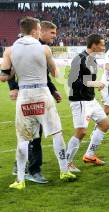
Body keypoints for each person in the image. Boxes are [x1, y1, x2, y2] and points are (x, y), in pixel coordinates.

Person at [0, 17, 76, 190]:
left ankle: (20, 180)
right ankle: (64, 170)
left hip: (24, 96)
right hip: (42, 93)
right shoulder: (44, 49)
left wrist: (15, 70)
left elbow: (4, 77)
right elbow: (55, 73)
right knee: (56, 133)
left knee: (23, 139)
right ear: (35, 30)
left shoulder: (9, 50)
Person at [8, 21, 62, 184]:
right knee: (33, 135)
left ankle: (20, 166)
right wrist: (13, 87)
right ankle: (33, 170)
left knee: (32, 134)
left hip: (39, 92)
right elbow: (11, 67)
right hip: (29, 94)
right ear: (41, 32)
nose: (54, 36)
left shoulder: (42, 48)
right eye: (51, 33)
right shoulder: (27, 46)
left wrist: (53, 90)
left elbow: (44, 75)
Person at [66, 34, 109, 170]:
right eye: (102, 45)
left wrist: (98, 91)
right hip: (79, 100)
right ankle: (66, 163)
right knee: (81, 132)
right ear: (94, 45)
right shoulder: (79, 59)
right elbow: (72, 81)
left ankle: (89, 155)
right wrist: (94, 83)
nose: (104, 47)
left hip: (90, 99)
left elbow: (88, 82)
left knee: (105, 124)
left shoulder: (92, 60)